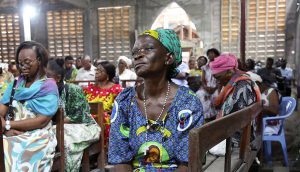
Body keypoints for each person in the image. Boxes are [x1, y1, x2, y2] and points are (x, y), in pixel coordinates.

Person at [108, 29, 204, 171]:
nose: (138, 55)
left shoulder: (187, 102)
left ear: (168, 58)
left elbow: (187, 163)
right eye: (135, 52)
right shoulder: (125, 101)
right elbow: (120, 159)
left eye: (148, 49)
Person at [0, 41, 59, 171]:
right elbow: (1, 111)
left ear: (39, 60)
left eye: (27, 62)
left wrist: (8, 125)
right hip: (11, 132)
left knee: (20, 150)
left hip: (38, 135)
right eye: (19, 62)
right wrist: (6, 129)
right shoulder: (15, 84)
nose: (22, 66)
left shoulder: (48, 86)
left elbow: (42, 121)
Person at [46, 58, 101, 172]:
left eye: (47, 76)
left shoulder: (73, 89)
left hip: (85, 126)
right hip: (60, 127)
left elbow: (80, 115)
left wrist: (55, 122)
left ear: (58, 77)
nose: (43, 79)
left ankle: (66, 168)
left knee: (60, 136)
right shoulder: (47, 93)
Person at [210, 53, 261, 118]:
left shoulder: (243, 85)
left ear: (229, 72)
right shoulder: (231, 83)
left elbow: (235, 120)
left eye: (218, 78)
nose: (217, 82)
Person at [83, 61, 123, 144]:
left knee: (102, 118)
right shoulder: (89, 89)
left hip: (107, 120)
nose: (97, 72)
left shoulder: (116, 89)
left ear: (108, 75)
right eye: (96, 70)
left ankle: (103, 150)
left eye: (100, 71)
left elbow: (120, 110)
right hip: (88, 119)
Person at [196, 49, 220, 121]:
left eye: (212, 53)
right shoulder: (205, 67)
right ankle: (204, 116)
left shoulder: (219, 66)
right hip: (206, 87)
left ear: (216, 55)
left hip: (216, 88)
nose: (210, 55)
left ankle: (216, 116)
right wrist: (206, 87)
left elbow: (219, 80)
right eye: (209, 53)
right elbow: (202, 80)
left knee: (216, 96)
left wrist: (215, 88)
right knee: (199, 94)